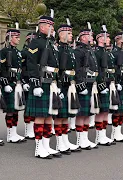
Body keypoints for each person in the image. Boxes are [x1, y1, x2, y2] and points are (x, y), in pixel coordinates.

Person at [25, 15, 63, 159]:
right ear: (42, 27)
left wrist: (57, 84)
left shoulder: (52, 44)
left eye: (52, 26)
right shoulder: (36, 43)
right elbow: (31, 63)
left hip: (50, 82)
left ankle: (46, 145)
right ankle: (38, 147)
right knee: (40, 117)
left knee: (49, 116)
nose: (52, 29)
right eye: (49, 26)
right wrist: (35, 83)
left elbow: (55, 67)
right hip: (40, 82)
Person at [54, 20, 81, 153]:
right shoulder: (57, 50)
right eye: (69, 33)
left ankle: (65, 140)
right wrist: (58, 86)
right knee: (60, 116)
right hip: (61, 84)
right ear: (61, 34)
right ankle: (59, 142)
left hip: (70, 84)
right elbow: (56, 69)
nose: (71, 35)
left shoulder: (70, 50)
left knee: (66, 116)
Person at [74, 26, 100, 149]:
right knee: (82, 113)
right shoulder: (79, 51)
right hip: (83, 84)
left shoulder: (90, 50)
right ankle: (80, 139)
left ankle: (85, 137)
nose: (92, 38)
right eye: (90, 36)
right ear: (84, 38)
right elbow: (78, 69)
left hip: (90, 83)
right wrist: (80, 85)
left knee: (87, 113)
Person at [0, 28, 27, 143]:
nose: (18, 39)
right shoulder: (4, 51)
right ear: (10, 38)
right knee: (10, 110)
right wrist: (5, 83)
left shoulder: (18, 52)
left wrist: (23, 82)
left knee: (16, 109)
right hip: (9, 82)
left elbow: (20, 69)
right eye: (16, 37)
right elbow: (2, 69)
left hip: (17, 82)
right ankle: (10, 134)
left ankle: (14, 132)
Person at [94, 27, 116, 145]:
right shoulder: (97, 52)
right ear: (100, 39)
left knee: (106, 110)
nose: (109, 39)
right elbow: (96, 70)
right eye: (107, 37)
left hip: (108, 82)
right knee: (101, 110)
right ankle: (99, 136)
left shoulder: (107, 52)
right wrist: (100, 84)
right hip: (100, 84)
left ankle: (103, 134)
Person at [110, 29, 123, 142]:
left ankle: (118, 131)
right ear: (120, 41)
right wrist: (116, 82)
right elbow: (115, 69)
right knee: (117, 109)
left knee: (122, 109)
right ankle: (115, 132)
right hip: (118, 82)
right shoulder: (115, 53)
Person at [21, 32, 37, 139]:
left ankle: (33, 128)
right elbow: (21, 68)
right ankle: (28, 129)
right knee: (28, 107)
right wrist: (23, 82)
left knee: (35, 106)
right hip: (27, 80)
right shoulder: (24, 52)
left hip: (36, 80)